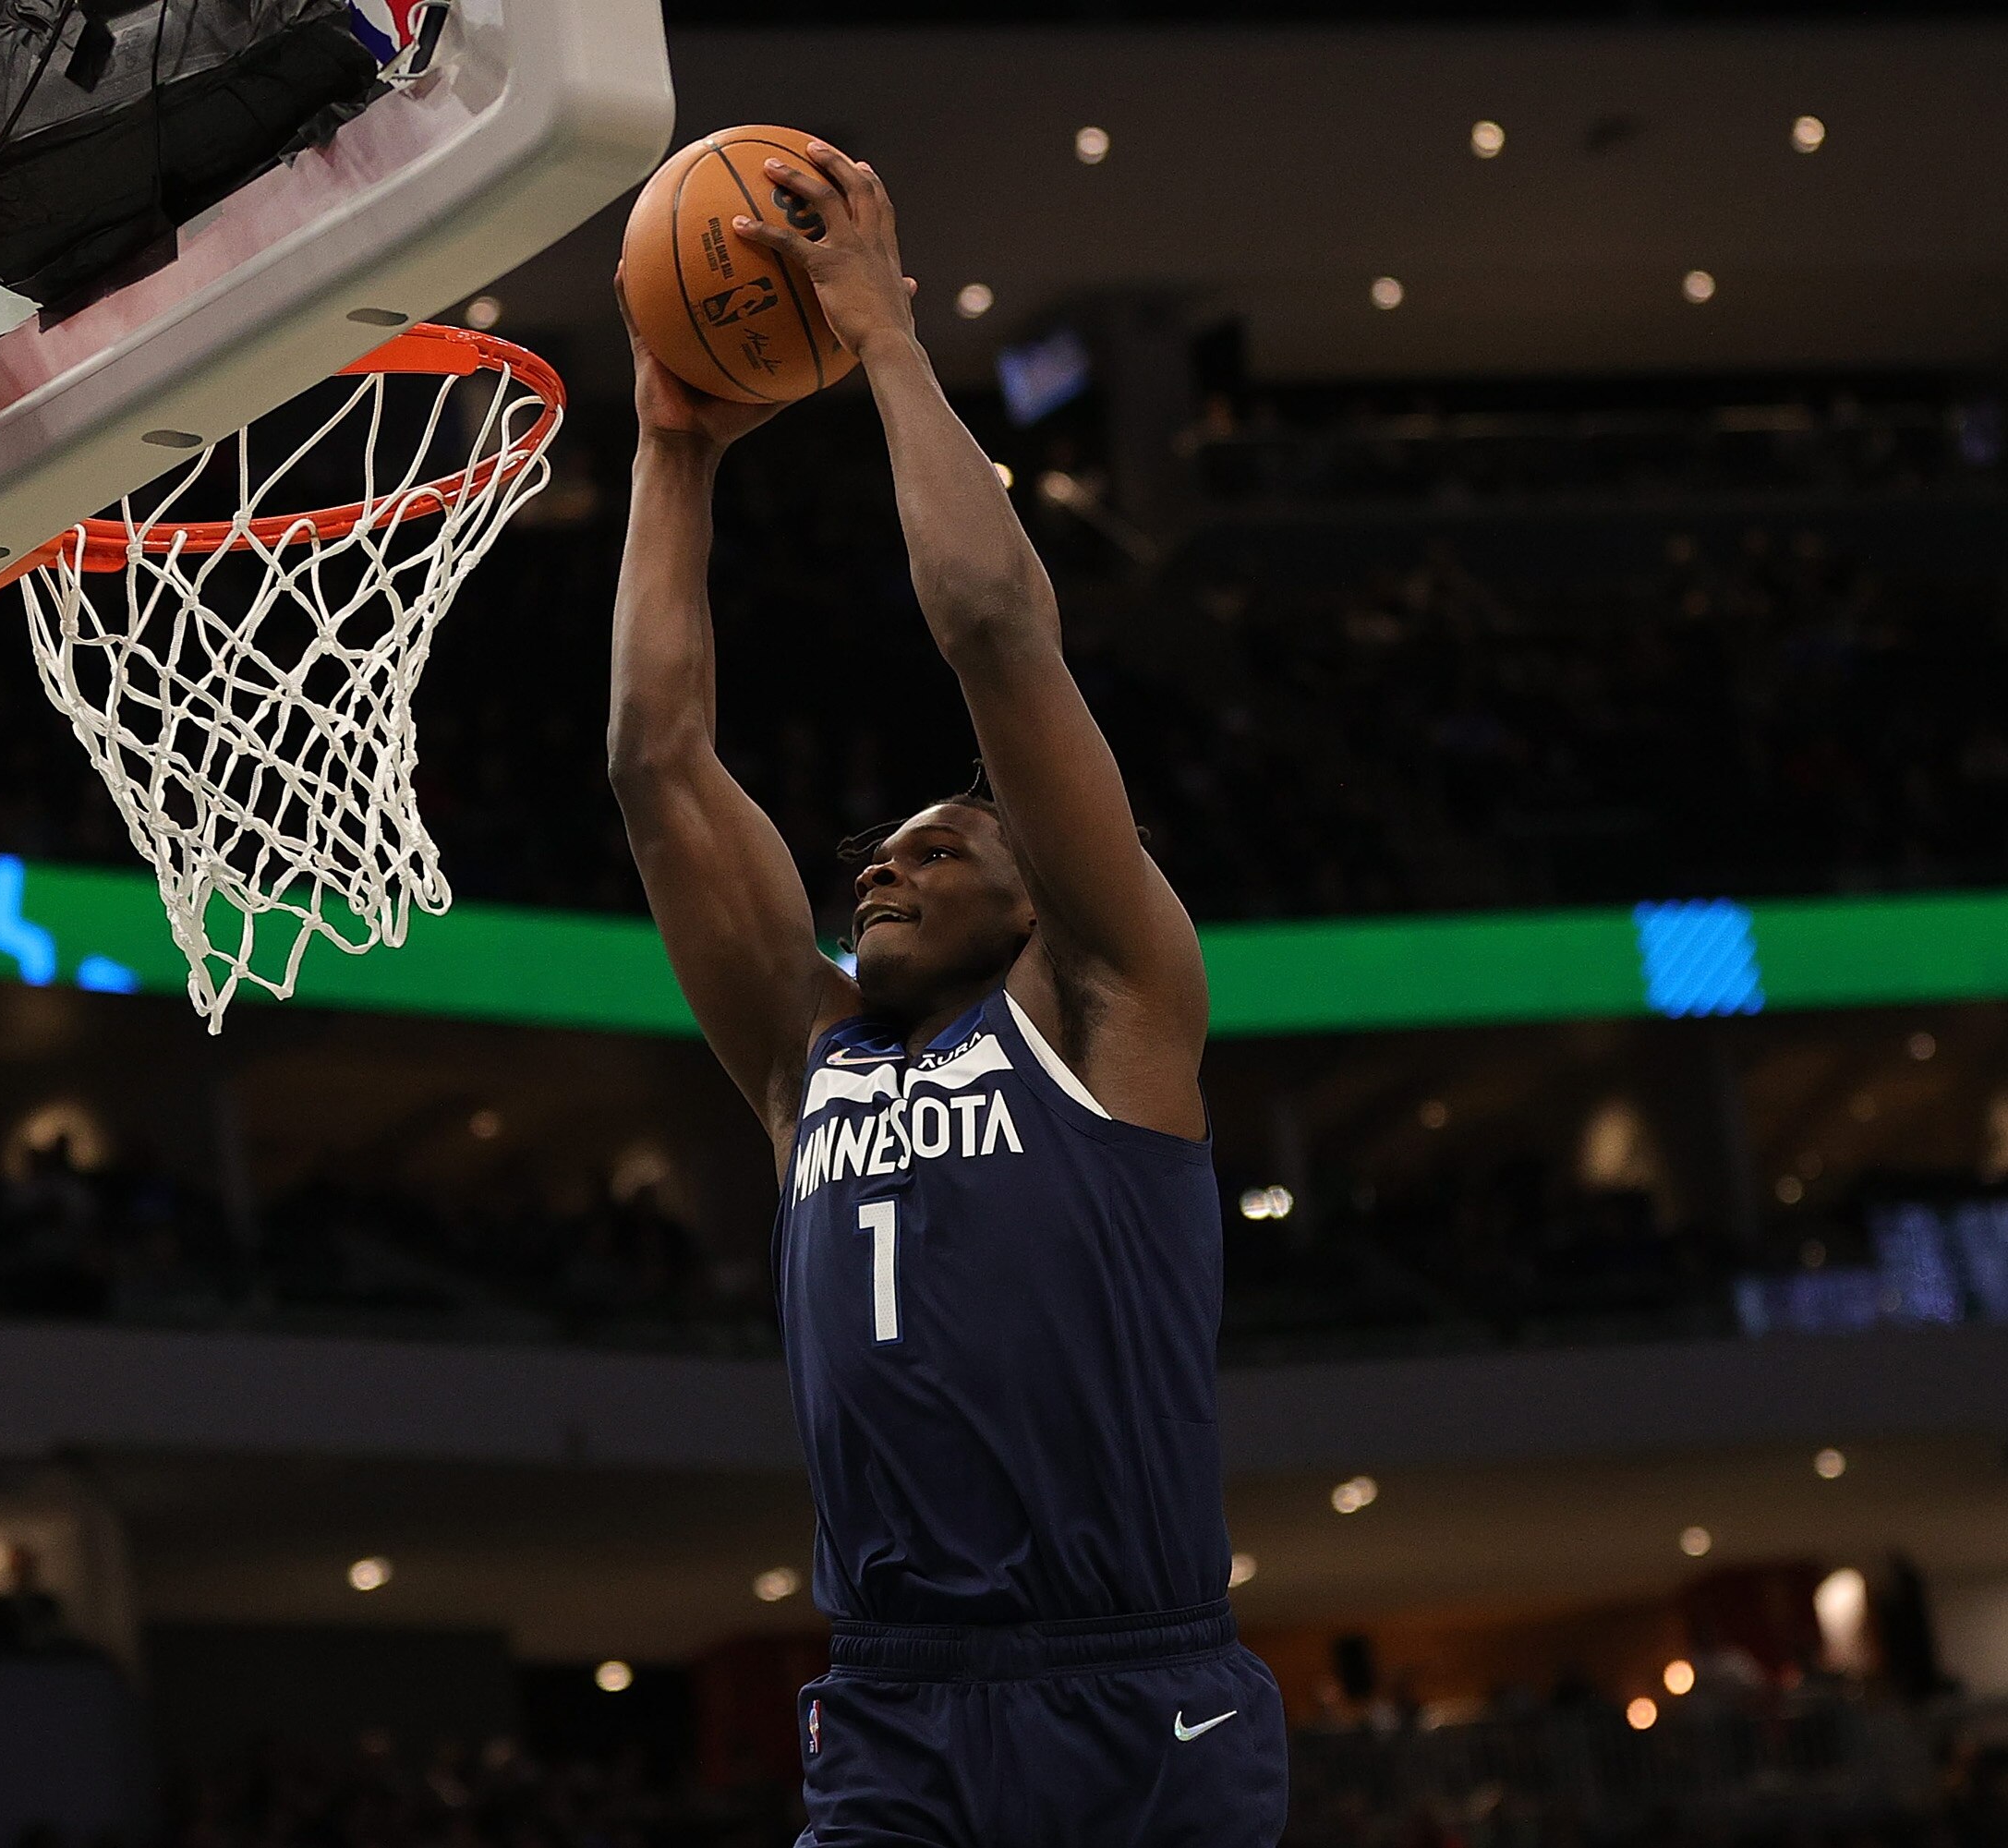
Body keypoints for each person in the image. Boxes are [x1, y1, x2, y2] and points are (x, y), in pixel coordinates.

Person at [606, 139, 1284, 1844]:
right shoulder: (806, 1058)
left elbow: (993, 627)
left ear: (1034, 882)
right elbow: (657, 762)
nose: (878, 867)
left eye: (933, 843)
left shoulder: (1112, 1003)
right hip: (896, 1701)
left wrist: (884, 338)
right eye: (874, 854)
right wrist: (672, 451)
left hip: (1138, 1692)